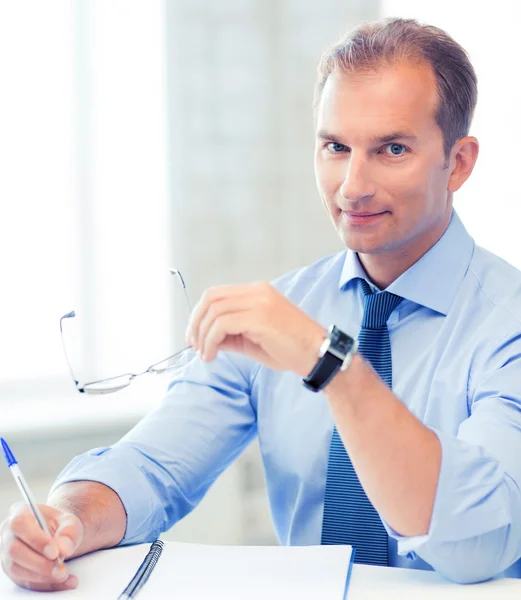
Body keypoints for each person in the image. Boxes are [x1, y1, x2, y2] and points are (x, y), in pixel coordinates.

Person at [3, 17, 521, 591]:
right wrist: (69, 518)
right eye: (335, 147)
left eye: (392, 149)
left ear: (461, 162)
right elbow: (153, 467)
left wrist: (332, 365)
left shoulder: (507, 323)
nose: (352, 185)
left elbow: (482, 540)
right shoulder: (284, 312)